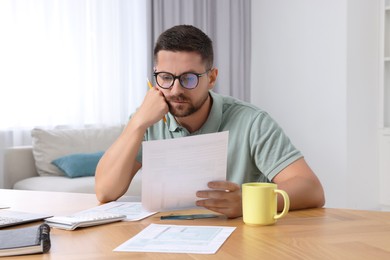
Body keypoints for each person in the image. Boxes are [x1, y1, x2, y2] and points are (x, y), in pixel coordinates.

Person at [95, 25, 325, 218]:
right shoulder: (146, 120)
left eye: (188, 78)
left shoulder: (253, 122)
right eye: (165, 78)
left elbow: (311, 189)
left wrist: (247, 201)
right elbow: (105, 192)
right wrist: (137, 123)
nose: (175, 90)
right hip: (164, 237)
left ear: (212, 78)